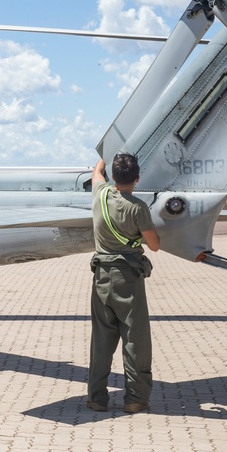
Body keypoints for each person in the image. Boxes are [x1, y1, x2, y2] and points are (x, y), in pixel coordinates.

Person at [87, 154, 160, 414]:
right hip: (128, 279)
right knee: (134, 341)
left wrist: (104, 158)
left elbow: (97, 173)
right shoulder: (138, 208)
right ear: (137, 179)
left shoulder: (100, 195)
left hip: (101, 278)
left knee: (101, 341)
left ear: (114, 177)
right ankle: (135, 399)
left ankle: (97, 398)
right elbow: (154, 245)